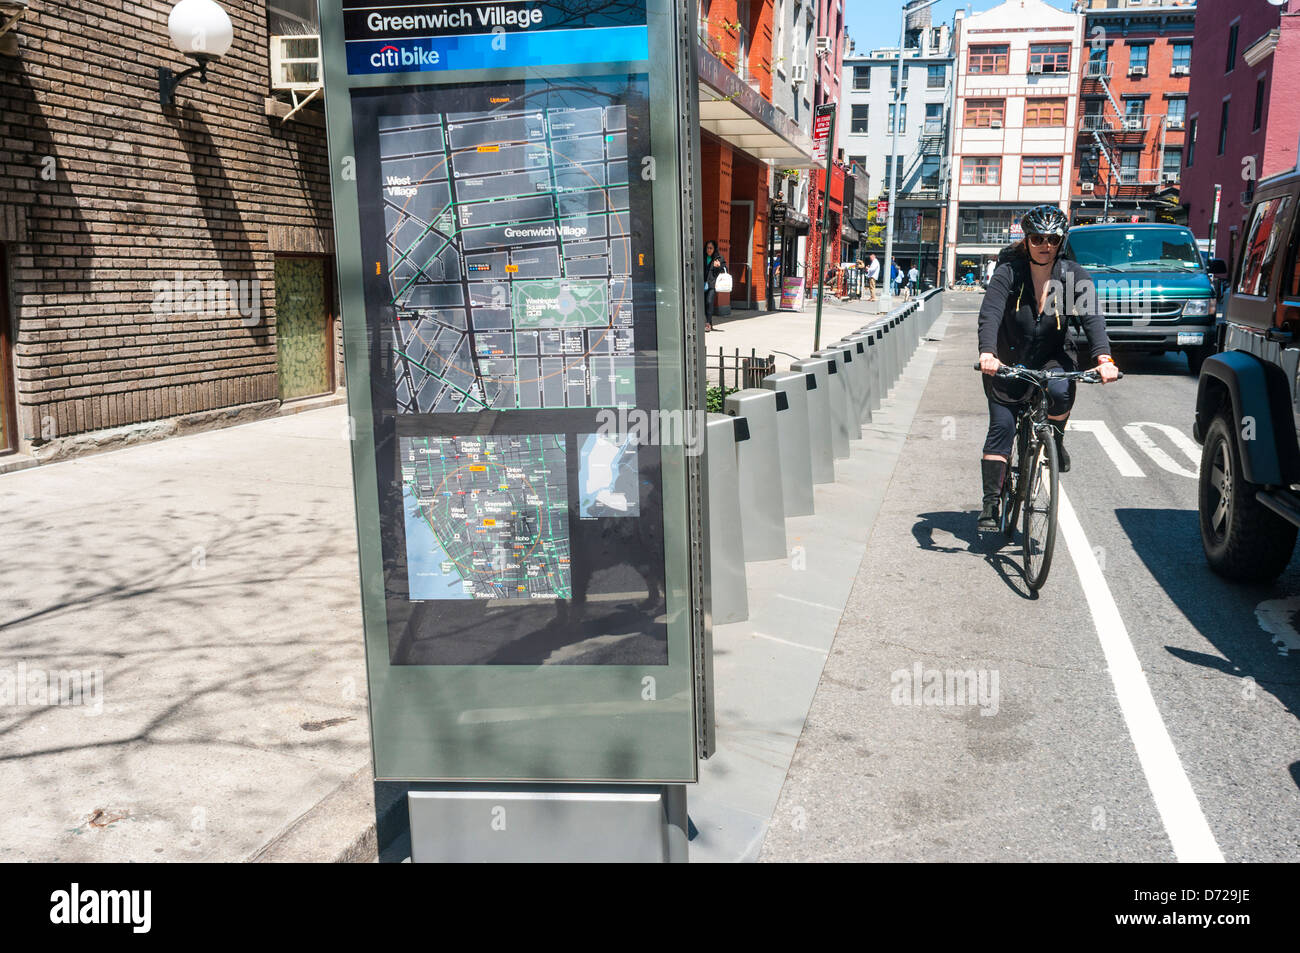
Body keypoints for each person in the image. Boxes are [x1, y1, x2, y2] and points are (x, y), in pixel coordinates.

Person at [976, 205, 1120, 534]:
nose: (1044, 245)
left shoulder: (1072, 275)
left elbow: (1093, 317)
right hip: (1007, 357)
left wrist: (1104, 358)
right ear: (1026, 240)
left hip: (1053, 354)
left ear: (1061, 242)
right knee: (1002, 426)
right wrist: (987, 352)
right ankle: (991, 501)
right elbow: (991, 313)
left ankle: (1055, 437)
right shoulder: (1008, 272)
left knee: (1060, 389)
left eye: (1052, 239)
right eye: (1037, 238)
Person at [702, 239, 725, 332]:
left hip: (712, 285)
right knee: (704, 305)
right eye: (707, 248)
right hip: (702, 284)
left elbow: (724, 270)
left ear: (714, 249)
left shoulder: (718, 258)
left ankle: (707, 323)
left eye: (711, 248)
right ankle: (709, 323)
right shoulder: (702, 257)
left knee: (709, 302)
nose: (709, 250)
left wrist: (718, 266)